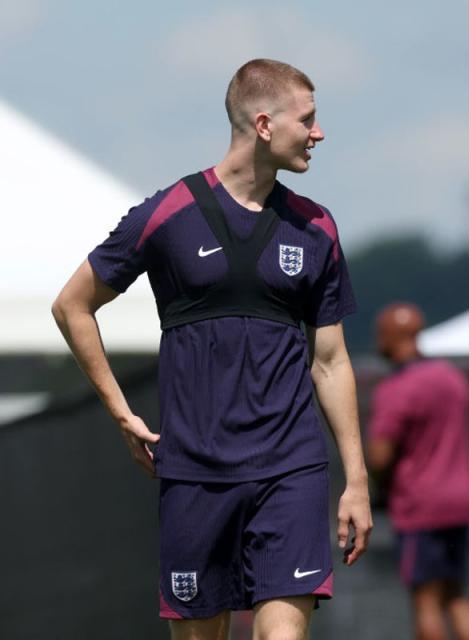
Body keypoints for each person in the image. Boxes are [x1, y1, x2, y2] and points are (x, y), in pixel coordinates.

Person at [51, 59, 372, 639]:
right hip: (194, 474)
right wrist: (121, 413)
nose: (319, 133)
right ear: (266, 124)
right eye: (310, 119)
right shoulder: (169, 213)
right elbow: (72, 305)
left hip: (291, 469)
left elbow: (330, 361)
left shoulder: (316, 226)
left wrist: (356, 480)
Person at [366, 303, 469, 640]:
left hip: (420, 506)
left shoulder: (396, 389)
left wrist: (378, 490)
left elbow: (379, 456)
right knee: (458, 596)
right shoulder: (451, 377)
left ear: (393, 336)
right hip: (460, 502)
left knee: (426, 601)